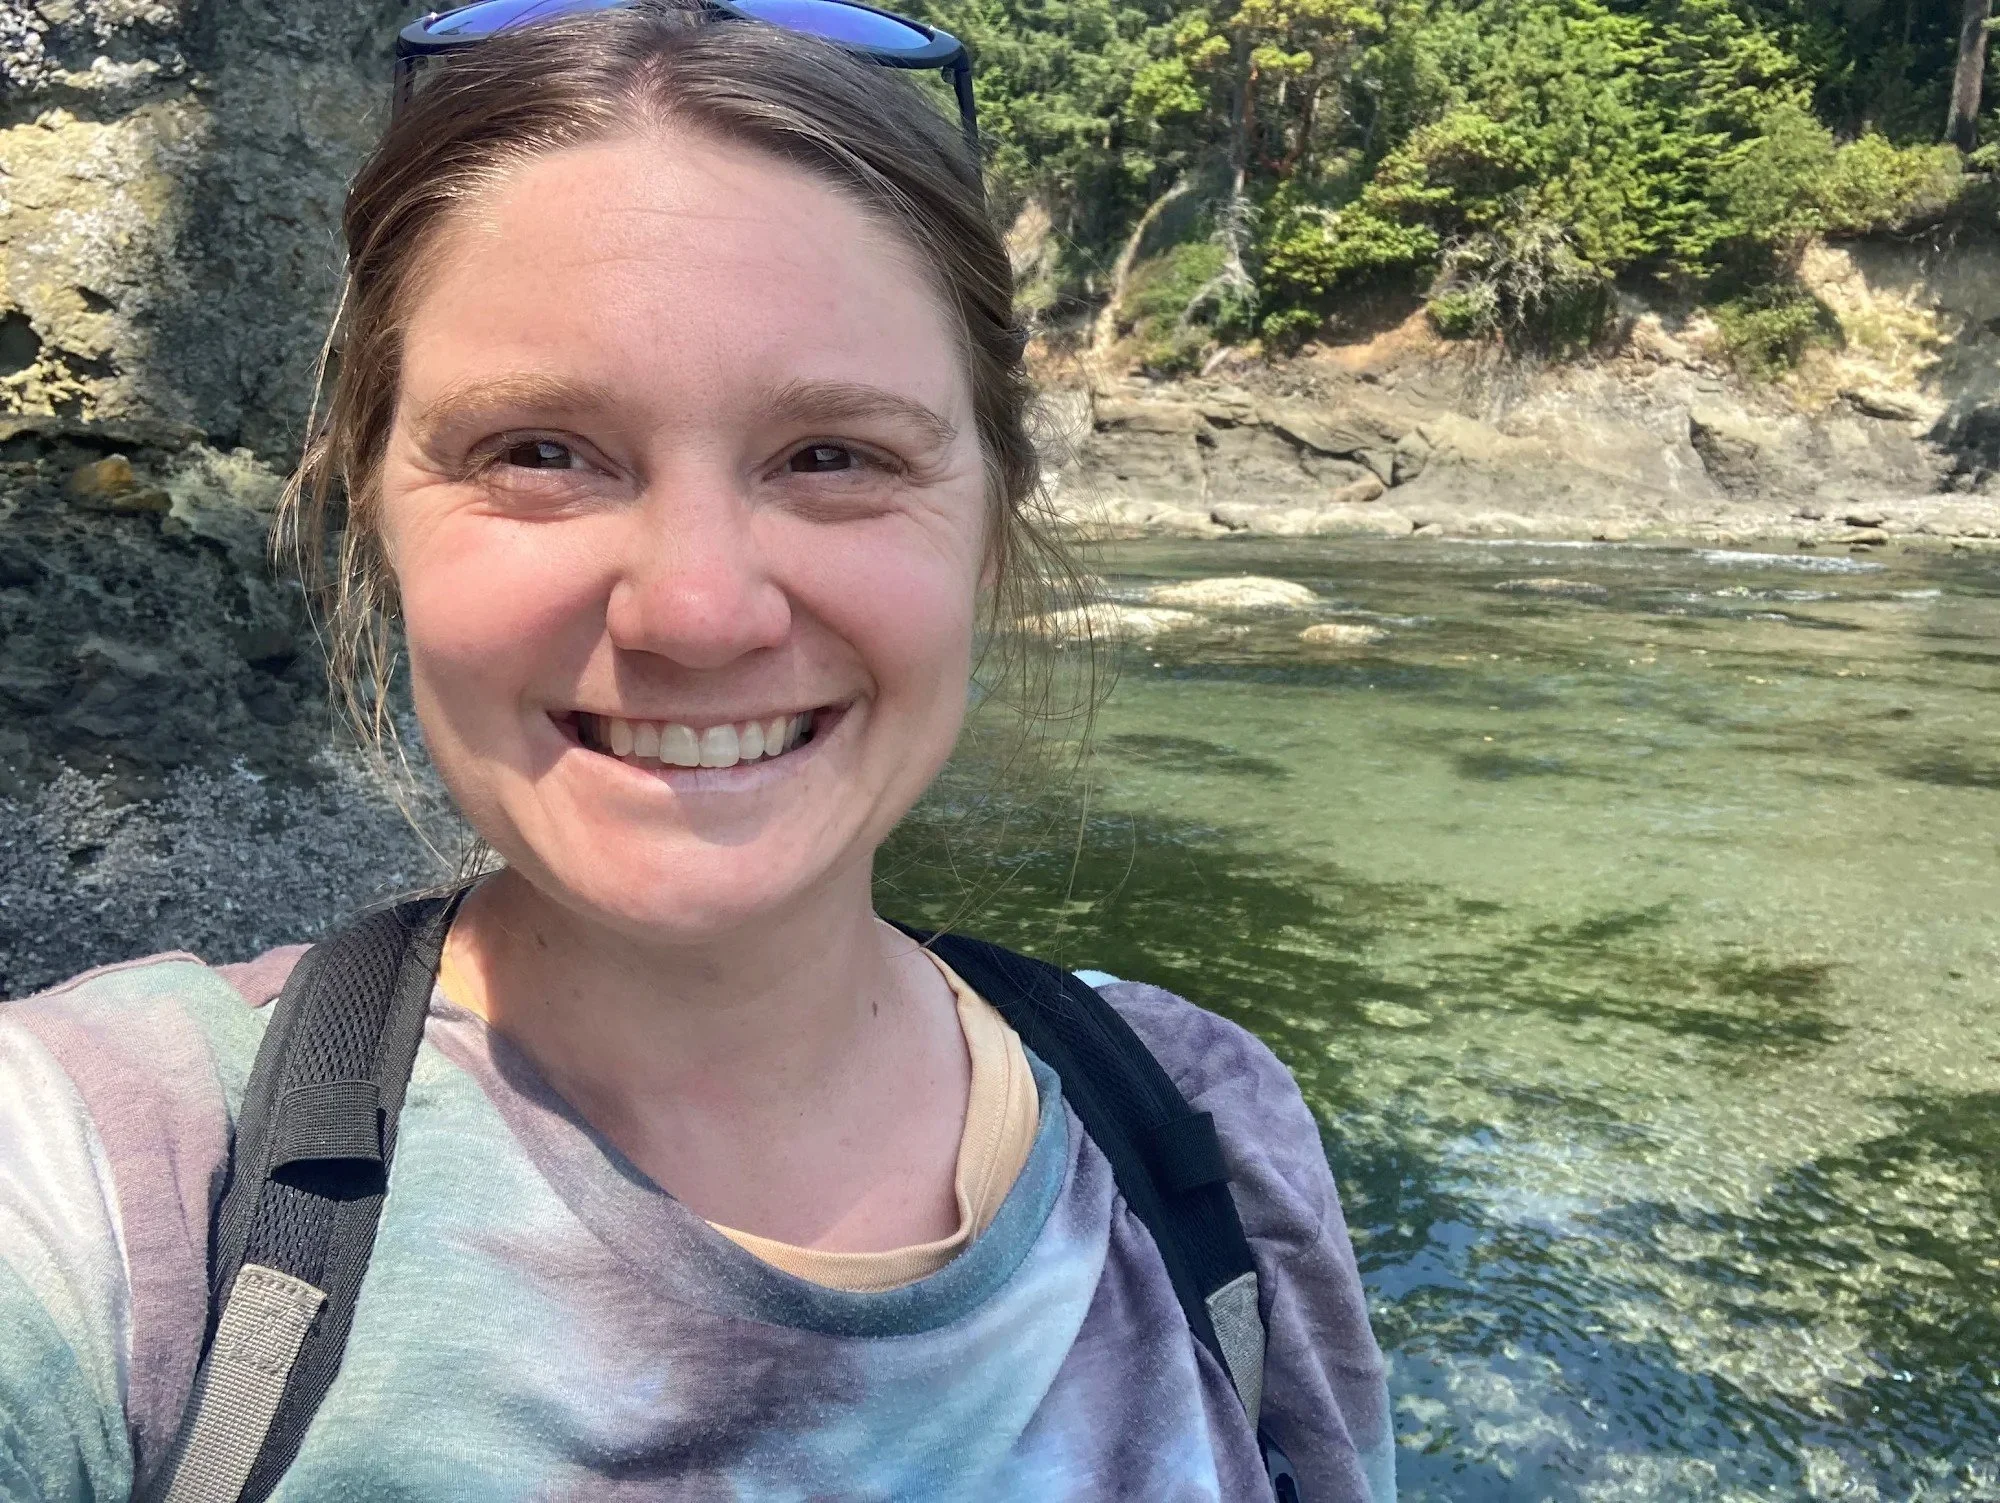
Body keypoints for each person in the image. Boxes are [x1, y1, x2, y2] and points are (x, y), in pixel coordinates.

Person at [0, 2, 1394, 1498]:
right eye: (539, 451)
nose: (700, 608)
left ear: (993, 521)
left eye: (831, 455)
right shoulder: (114, 1182)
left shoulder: (1203, 1131)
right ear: (370, 509)